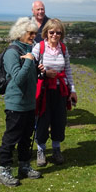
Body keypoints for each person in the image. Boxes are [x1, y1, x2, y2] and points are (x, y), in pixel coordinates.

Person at [0, 17, 42, 187]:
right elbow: (17, 80)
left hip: (29, 103)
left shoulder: (27, 49)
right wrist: (29, 61)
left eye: (35, 34)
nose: (33, 37)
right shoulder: (12, 53)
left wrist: (37, 70)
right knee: (11, 137)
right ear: (21, 33)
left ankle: (24, 166)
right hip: (16, 104)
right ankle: (4, 171)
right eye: (31, 33)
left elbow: (28, 76)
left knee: (26, 137)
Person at [32, 18, 78, 166]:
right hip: (44, 90)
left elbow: (68, 70)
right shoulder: (39, 48)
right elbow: (31, 69)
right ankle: (41, 150)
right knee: (43, 119)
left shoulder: (63, 49)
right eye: (52, 32)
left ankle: (57, 149)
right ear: (46, 32)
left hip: (60, 90)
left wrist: (73, 90)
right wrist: (44, 74)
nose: (55, 35)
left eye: (58, 32)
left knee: (59, 119)